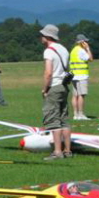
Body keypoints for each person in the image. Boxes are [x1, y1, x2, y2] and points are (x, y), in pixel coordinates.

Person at [40, 24, 72, 160]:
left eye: (42, 35)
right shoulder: (64, 49)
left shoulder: (49, 51)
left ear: (47, 37)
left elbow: (48, 73)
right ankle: (68, 151)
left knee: (53, 119)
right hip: (64, 86)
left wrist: (45, 89)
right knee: (64, 119)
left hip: (54, 86)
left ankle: (57, 152)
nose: (40, 38)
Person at [70, 34, 93, 120]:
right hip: (82, 75)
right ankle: (81, 114)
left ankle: (75, 115)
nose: (86, 42)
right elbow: (90, 59)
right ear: (82, 42)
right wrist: (87, 49)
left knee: (74, 95)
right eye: (85, 41)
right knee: (81, 95)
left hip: (74, 76)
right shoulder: (81, 51)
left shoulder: (73, 50)